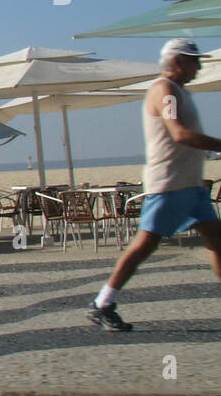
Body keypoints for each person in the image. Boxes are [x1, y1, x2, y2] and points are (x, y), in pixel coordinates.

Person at [87, 39, 221, 331]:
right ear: (177, 62)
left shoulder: (180, 92)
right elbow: (179, 133)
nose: (199, 66)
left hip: (193, 186)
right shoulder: (164, 90)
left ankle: (103, 303)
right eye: (194, 61)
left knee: (218, 241)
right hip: (169, 185)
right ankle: (102, 303)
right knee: (144, 245)